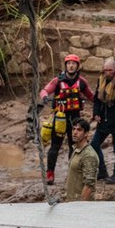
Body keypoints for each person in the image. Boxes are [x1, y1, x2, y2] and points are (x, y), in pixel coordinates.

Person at [39, 54, 94, 185]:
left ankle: (71, 174)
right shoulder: (58, 80)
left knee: (73, 146)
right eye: (68, 63)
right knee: (55, 146)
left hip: (75, 118)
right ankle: (50, 174)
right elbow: (44, 91)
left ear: (77, 66)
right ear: (66, 66)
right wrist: (45, 97)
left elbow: (92, 96)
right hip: (60, 118)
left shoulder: (82, 82)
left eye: (73, 64)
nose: (71, 66)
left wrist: (101, 104)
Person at [65, 118, 99, 201]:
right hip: (71, 203)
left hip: (80, 207)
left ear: (86, 134)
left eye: (79, 130)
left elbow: (89, 185)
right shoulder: (76, 150)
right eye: (74, 129)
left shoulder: (89, 155)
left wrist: (80, 206)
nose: (75, 132)